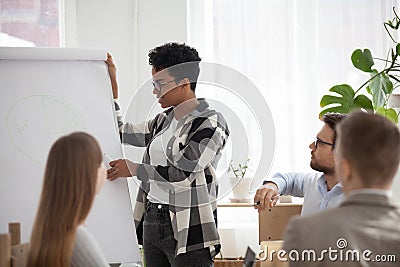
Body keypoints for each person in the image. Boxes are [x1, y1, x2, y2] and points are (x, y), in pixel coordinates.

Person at [106, 43, 229, 267]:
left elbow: (184, 173)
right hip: (152, 219)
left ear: (184, 84)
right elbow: (119, 132)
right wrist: (112, 89)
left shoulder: (210, 122)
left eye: (160, 83)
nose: (155, 90)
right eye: (154, 83)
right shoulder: (162, 122)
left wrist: (135, 169)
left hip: (188, 228)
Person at [282, 111, 400, 266]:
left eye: (319, 142)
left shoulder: (303, 233)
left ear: (345, 167)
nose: (312, 146)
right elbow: (294, 179)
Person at [27, 132, 109, 267]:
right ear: (89, 174)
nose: (105, 169)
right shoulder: (77, 239)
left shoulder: (47, 232)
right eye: (100, 163)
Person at [254, 113, 346, 216]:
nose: (311, 146)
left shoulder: (360, 202)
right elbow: (289, 180)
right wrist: (272, 185)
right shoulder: (313, 183)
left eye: (319, 142)